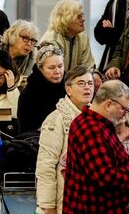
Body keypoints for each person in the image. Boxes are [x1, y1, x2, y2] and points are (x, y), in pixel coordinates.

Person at [62, 80, 129, 213]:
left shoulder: (96, 124)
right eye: (123, 108)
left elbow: (112, 160)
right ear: (108, 104)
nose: (126, 114)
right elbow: (107, 179)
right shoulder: (92, 131)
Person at [35, 65, 94, 214]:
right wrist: (48, 205)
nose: (87, 87)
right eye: (81, 83)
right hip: (65, 200)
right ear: (68, 89)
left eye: (90, 83)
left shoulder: (98, 118)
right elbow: (45, 166)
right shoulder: (55, 120)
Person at [18, 44, 67, 133]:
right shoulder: (28, 94)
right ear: (40, 68)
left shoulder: (70, 87)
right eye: (51, 68)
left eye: (60, 66)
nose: (57, 71)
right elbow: (26, 130)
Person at [40, 0, 95, 70]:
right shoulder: (52, 40)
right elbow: (54, 73)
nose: (83, 19)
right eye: (78, 17)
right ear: (66, 19)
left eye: (82, 16)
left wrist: (93, 75)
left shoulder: (83, 37)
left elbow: (88, 66)